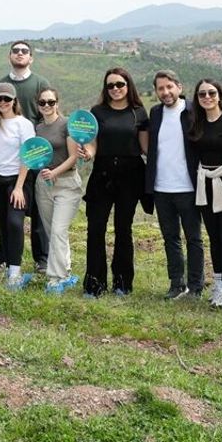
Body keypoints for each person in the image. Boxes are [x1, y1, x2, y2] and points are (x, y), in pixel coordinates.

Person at [80, 69, 148, 297]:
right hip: (102, 174)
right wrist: (88, 153)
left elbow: (145, 148)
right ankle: (95, 282)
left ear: (128, 85)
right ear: (105, 88)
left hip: (131, 175)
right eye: (110, 85)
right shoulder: (97, 112)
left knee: (123, 228)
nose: (116, 89)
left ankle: (122, 281)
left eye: (120, 84)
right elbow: (93, 144)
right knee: (95, 228)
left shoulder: (139, 113)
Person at [145, 69, 203, 300]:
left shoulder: (193, 110)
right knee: (170, 238)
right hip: (162, 188)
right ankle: (176, 284)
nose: (165, 92)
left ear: (179, 87)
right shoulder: (155, 113)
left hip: (188, 187)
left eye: (169, 87)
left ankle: (196, 286)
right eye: (160, 88)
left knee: (194, 239)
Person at [0, 40, 49, 272]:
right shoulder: (1, 84)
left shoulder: (40, 83)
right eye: (15, 51)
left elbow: (48, 110)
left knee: (36, 211)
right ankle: (3, 256)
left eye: (24, 51)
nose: (20, 54)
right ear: (9, 56)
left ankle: (41, 257)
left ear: (31, 57)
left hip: (33, 153)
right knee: (5, 217)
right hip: (4, 162)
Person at [188, 79, 222, 307]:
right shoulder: (197, 123)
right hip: (206, 184)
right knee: (213, 236)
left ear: (219, 95)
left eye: (211, 93)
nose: (207, 97)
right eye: (202, 94)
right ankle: (218, 283)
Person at [0, 82, 36, 291]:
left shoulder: (23, 124)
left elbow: (28, 154)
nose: (3, 102)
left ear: (14, 100)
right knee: (3, 224)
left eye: (7, 98)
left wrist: (19, 187)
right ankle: (5, 261)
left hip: (18, 180)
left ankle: (15, 272)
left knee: (15, 223)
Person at [33, 86, 81, 294]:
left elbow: (73, 156)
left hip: (66, 183)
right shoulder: (37, 129)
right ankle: (66, 270)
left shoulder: (67, 124)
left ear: (57, 103)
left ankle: (56, 278)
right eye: (42, 102)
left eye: (50, 102)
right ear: (38, 106)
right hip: (44, 184)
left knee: (59, 229)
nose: (47, 105)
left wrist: (55, 172)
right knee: (52, 231)